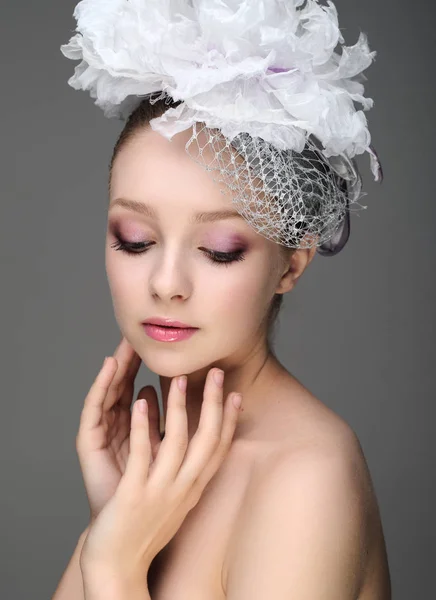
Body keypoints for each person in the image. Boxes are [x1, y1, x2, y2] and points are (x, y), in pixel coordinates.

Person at [53, 1, 391, 599]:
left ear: (291, 262)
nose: (166, 283)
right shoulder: (151, 469)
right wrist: (114, 520)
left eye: (219, 249)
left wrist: (113, 569)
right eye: (135, 240)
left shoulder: (307, 475)